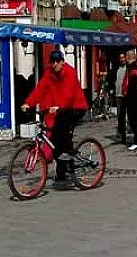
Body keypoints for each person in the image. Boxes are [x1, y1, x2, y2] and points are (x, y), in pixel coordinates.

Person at [22, 50, 88, 183]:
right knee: (55, 139)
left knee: (62, 131)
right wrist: (28, 103)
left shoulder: (70, 72)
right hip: (61, 108)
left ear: (63, 61)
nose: (55, 64)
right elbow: (40, 89)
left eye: (58, 61)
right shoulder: (49, 73)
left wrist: (59, 106)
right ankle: (62, 171)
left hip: (76, 107)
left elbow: (69, 93)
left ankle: (68, 162)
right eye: (53, 62)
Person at [122, 49, 137, 150]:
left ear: (128, 57)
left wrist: (127, 95)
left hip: (133, 96)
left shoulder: (132, 67)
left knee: (134, 120)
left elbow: (133, 82)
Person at [111, 52, 129, 144]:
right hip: (118, 95)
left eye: (123, 57)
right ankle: (122, 136)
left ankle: (129, 133)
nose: (122, 59)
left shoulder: (128, 68)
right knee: (120, 117)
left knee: (128, 116)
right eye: (120, 58)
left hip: (127, 95)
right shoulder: (117, 69)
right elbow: (113, 79)